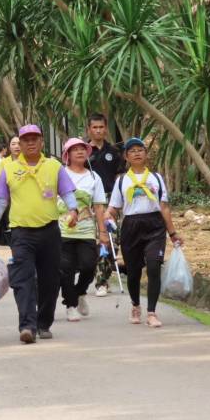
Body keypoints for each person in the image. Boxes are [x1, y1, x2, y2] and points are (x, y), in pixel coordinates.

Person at [0, 125, 78, 344]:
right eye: (26, 140)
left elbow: (67, 191)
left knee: (50, 280)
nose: (31, 143)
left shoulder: (54, 166)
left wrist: (73, 209)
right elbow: (0, 203)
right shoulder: (10, 169)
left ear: (41, 142)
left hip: (50, 231)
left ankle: (43, 323)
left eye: (35, 139)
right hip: (21, 233)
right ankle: (27, 326)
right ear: (19, 144)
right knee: (23, 280)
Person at [106, 137, 182, 328]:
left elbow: (164, 207)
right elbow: (114, 207)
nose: (137, 153)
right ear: (126, 156)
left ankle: (152, 312)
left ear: (146, 154)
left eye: (141, 150)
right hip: (131, 226)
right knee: (133, 272)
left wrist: (173, 233)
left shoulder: (155, 178)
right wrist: (107, 218)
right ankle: (135, 305)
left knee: (154, 266)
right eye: (132, 151)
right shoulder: (121, 181)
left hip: (154, 225)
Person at [57, 138, 109, 322]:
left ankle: (80, 293)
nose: (79, 152)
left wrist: (102, 232)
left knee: (88, 265)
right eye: (75, 149)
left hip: (86, 230)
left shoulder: (94, 177)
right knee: (66, 269)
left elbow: (99, 207)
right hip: (63, 230)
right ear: (67, 154)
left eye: (82, 149)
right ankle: (70, 305)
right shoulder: (60, 174)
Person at [85, 114, 125, 297]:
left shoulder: (114, 152)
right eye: (95, 127)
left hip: (111, 200)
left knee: (111, 239)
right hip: (91, 202)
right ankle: (98, 278)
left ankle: (104, 278)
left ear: (106, 128)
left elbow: (119, 177)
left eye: (101, 127)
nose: (98, 130)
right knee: (96, 239)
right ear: (89, 129)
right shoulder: (83, 152)